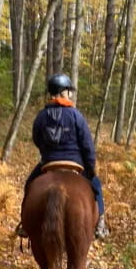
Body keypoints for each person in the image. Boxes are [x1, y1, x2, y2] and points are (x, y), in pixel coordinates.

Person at [16, 74, 109, 239]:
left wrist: (48, 151)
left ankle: (24, 224)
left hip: (49, 163)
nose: (70, 94)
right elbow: (87, 145)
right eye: (68, 91)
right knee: (96, 185)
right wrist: (91, 166)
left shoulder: (41, 116)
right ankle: (100, 223)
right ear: (63, 92)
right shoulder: (76, 115)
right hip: (75, 164)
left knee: (29, 184)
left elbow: (37, 139)